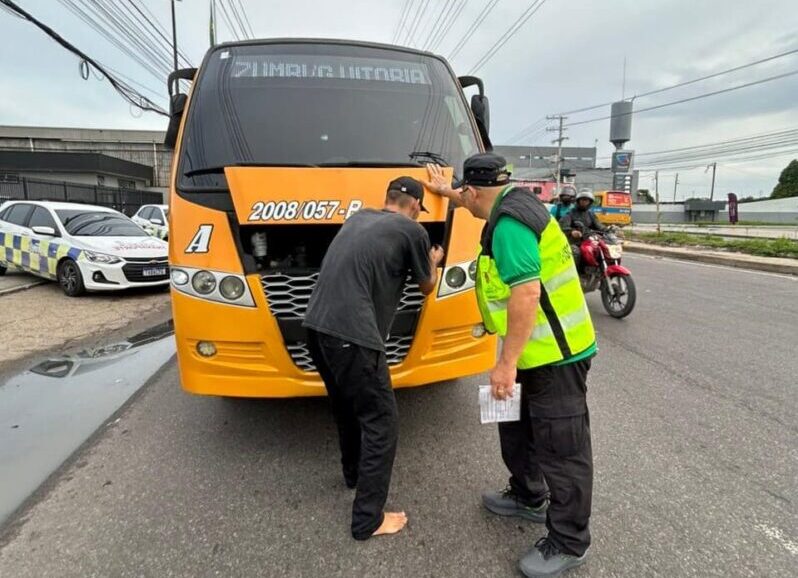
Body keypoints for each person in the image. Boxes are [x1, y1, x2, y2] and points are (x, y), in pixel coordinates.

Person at [424, 154, 597, 578]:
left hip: (556, 355)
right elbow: (468, 201)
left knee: (562, 448)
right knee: (515, 426)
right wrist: (443, 190)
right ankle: (527, 495)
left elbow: (526, 294)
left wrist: (505, 364)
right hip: (530, 354)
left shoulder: (510, 225)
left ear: (477, 190)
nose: (462, 199)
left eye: (464, 193)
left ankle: (569, 541)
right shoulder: (509, 199)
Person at [303, 176, 444, 541]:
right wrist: (433, 261)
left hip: (316, 328)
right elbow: (426, 286)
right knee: (382, 422)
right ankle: (368, 519)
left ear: (387, 199)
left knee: (347, 407)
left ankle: (353, 474)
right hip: (353, 336)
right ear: (414, 205)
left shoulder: (357, 218)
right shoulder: (411, 230)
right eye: (419, 208)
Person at [558, 190, 605, 270]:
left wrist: (610, 230)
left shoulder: (591, 214)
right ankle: (576, 274)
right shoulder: (571, 213)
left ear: (590, 202)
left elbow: (599, 226)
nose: (584, 202)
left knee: (602, 249)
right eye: (582, 200)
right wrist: (572, 232)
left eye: (586, 200)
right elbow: (562, 227)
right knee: (575, 252)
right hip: (574, 242)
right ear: (578, 201)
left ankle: (599, 270)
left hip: (588, 241)